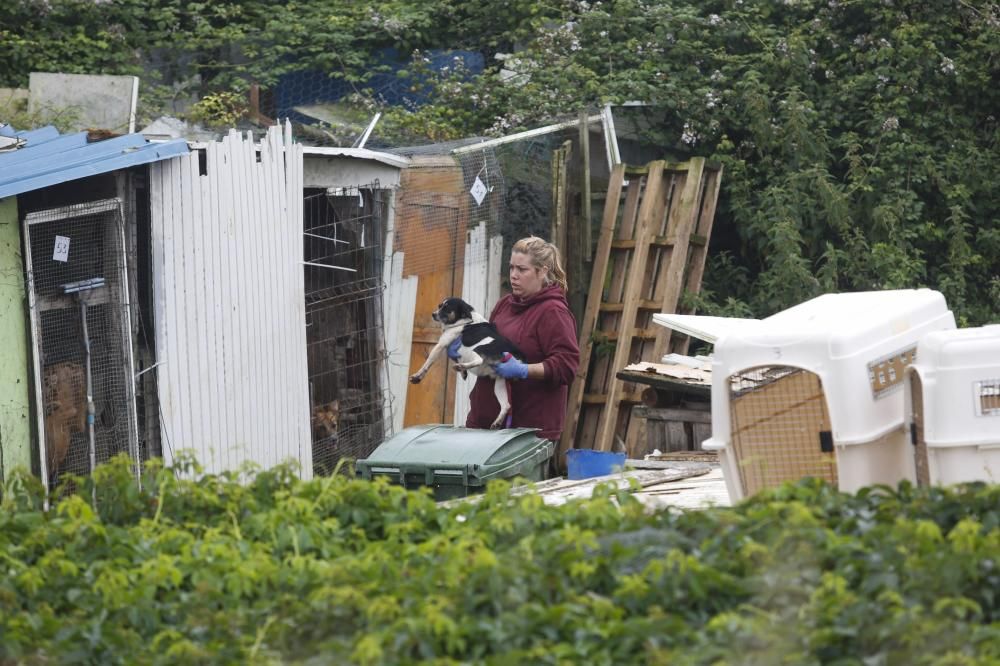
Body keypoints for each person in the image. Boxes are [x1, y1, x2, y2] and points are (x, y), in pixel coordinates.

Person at [456, 236, 580, 441]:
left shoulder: (553, 312)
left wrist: (523, 370)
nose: (514, 275)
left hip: (527, 433)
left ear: (542, 272)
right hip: (485, 424)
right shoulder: (505, 305)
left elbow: (567, 366)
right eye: (512, 268)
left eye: (522, 270)